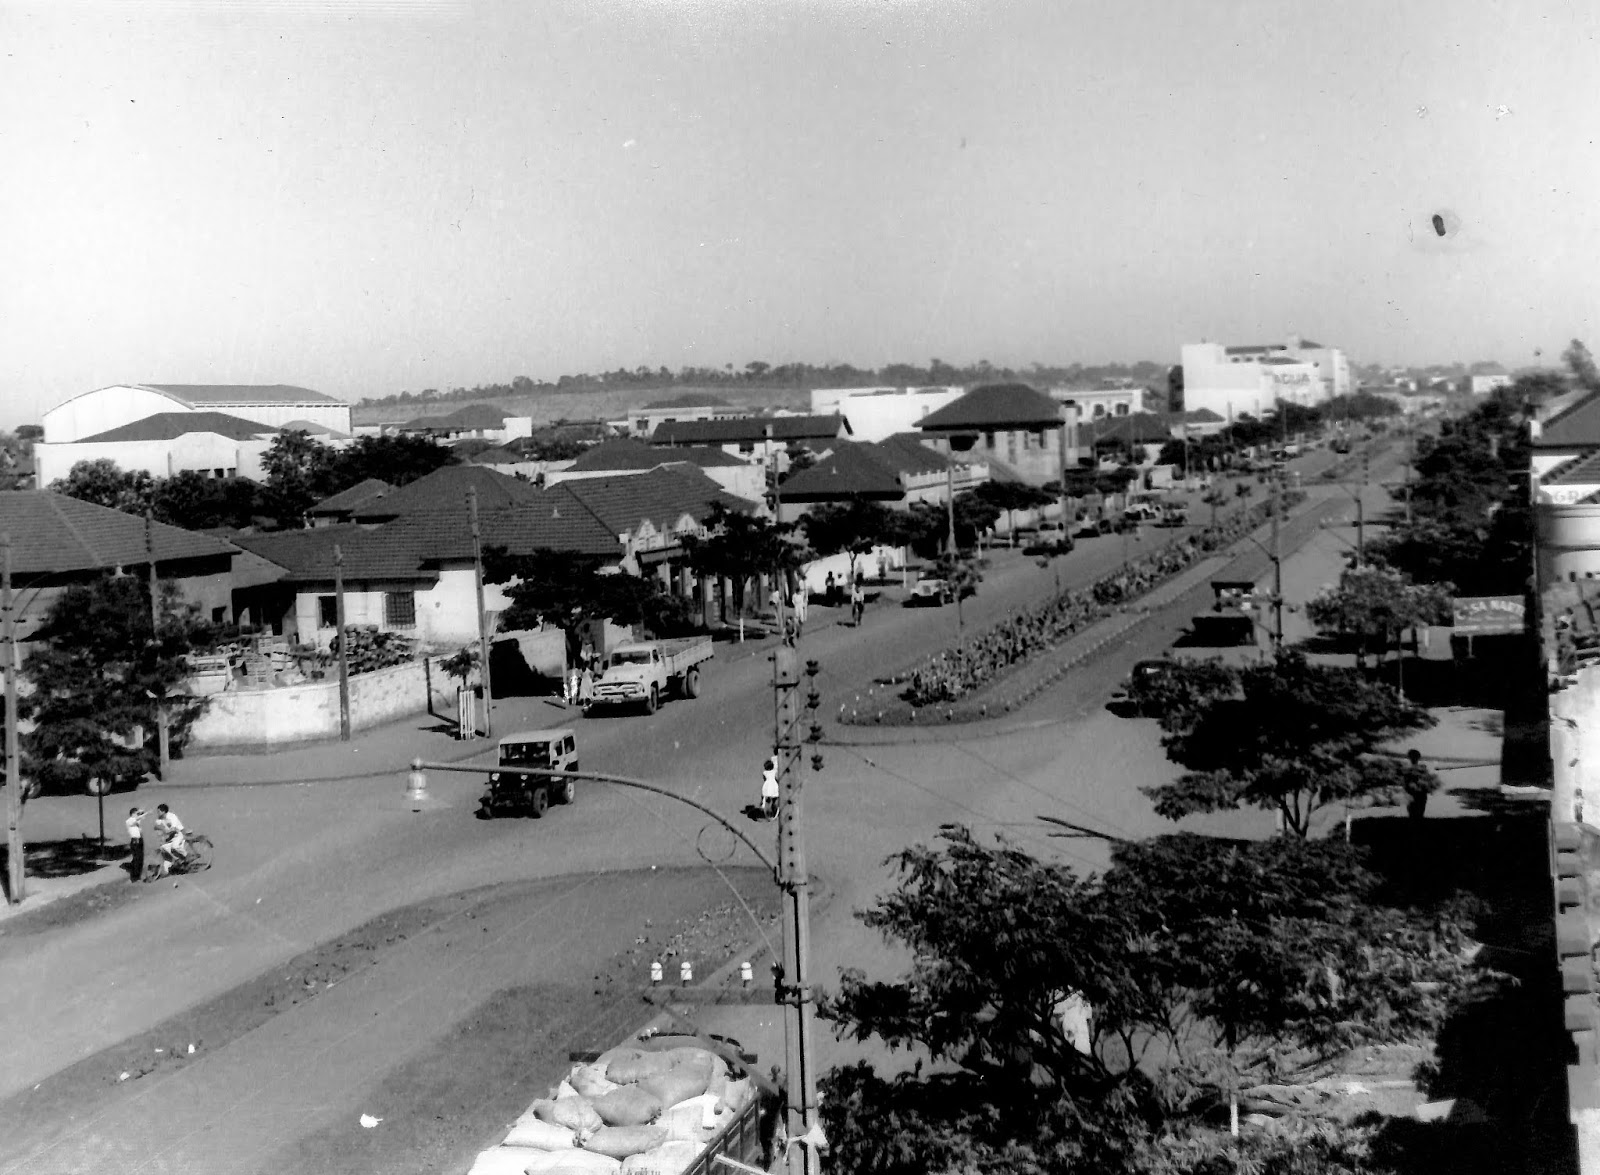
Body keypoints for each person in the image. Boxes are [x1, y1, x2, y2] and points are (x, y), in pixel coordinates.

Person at [153, 803, 188, 879]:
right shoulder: (160, 818)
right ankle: (174, 864)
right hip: (170, 836)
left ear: (163, 811)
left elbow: (174, 828)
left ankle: (185, 857)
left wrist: (167, 832)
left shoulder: (172, 816)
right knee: (164, 848)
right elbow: (155, 826)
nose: (157, 813)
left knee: (174, 847)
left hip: (178, 834)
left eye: (159, 811)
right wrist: (162, 829)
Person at [125, 807, 146, 883]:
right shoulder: (129, 821)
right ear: (132, 814)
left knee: (141, 858)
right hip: (135, 841)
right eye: (136, 813)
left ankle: (138, 876)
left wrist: (141, 811)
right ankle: (134, 877)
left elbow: (142, 815)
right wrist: (144, 813)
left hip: (140, 840)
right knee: (137, 859)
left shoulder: (137, 820)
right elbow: (137, 818)